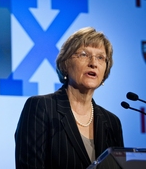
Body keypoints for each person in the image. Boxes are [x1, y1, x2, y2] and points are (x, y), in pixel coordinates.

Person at [15, 27, 124, 169]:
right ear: (65, 64)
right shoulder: (41, 107)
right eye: (84, 55)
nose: (93, 63)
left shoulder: (111, 122)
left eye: (100, 57)